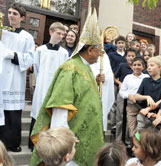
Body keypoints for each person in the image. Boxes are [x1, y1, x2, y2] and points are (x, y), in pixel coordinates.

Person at [30, 9, 104, 166]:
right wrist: (62, 141)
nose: (100, 55)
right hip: (70, 143)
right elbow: (60, 106)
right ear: (90, 50)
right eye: (99, 51)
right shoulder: (70, 68)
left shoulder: (86, 68)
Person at [0, 2, 35, 152]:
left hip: (14, 79)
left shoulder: (27, 37)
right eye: (9, 13)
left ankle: (12, 143)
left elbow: (30, 58)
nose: (11, 16)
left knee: (12, 114)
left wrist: (12, 54)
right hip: (1, 77)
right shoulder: (2, 33)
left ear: (22, 17)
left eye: (15, 14)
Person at [29, 22, 69, 150]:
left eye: (63, 34)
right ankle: (34, 144)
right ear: (51, 32)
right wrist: (41, 82)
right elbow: (36, 68)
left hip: (55, 88)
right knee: (38, 112)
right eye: (58, 33)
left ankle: (49, 146)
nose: (61, 36)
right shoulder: (40, 50)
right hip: (41, 86)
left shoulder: (64, 53)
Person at [135, 56, 161, 130]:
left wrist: (148, 109)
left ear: (160, 67)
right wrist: (147, 97)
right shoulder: (145, 80)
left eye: (152, 65)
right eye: (148, 66)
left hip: (156, 116)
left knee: (152, 139)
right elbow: (136, 96)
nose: (149, 67)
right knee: (138, 136)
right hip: (143, 114)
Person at [119, 57, 149, 137]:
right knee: (132, 129)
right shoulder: (128, 77)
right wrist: (128, 95)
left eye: (139, 65)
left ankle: (140, 144)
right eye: (134, 65)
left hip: (143, 107)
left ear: (143, 67)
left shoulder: (146, 77)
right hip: (131, 106)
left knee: (141, 128)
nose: (136, 67)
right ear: (131, 67)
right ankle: (134, 145)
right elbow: (122, 91)